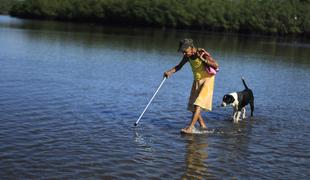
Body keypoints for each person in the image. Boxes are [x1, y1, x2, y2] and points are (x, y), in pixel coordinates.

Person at [164, 38, 219, 134]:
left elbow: (216, 65)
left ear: (191, 48)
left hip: (207, 80)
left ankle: (190, 128)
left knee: (198, 104)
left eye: (185, 51)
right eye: (182, 52)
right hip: (197, 81)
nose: (184, 54)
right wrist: (169, 72)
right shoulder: (187, 57)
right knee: (193, 106)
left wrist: (202, 59)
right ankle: (203, 125)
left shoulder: (201, 53)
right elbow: (179, 66)